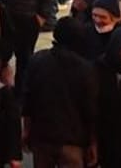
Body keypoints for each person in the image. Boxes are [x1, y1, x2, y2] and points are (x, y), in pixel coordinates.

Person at [16, 19, 97, 168]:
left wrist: (26, 131)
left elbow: (28, 102)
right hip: (73, 142)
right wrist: (93, 142)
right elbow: (90, 109)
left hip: (42, 138)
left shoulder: (37, 61)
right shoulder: (85, 69)